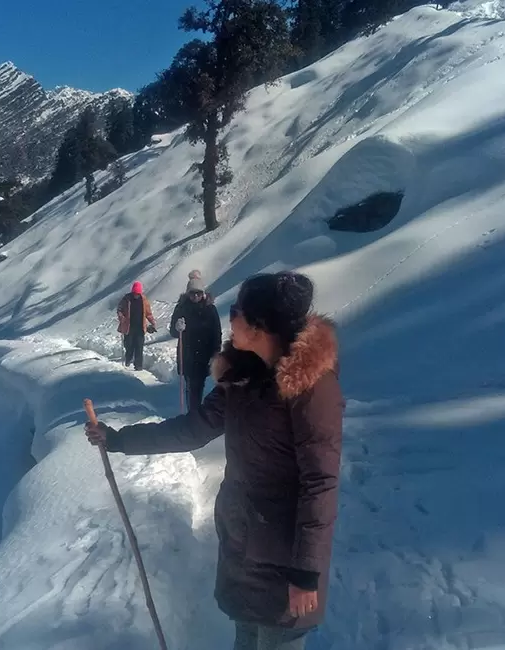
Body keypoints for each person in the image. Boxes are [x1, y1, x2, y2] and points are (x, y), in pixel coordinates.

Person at [87, 271, 343, 650]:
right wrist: (120, 440)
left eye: (237, 311)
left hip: (285, 560)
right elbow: (193, 429)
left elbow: (320, 482)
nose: (230, 317)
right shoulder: (243, 377)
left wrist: (306, 571)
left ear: (259, 326)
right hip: (243, 544)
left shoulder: (311, 389)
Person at [170, 270, 222, 412]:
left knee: (199, 384)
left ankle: (195, 413)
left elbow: (216, 331)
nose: (196, 296)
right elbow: (172, 331)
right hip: (187, 354)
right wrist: (177, 327)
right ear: (188, 293)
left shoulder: (210, 309)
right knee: (191, 385)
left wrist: (216, 352)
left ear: (203, 293)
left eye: (198, 293)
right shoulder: (181, 308)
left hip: (204, 354)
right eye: (192, 293)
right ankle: (193, 414)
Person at [117, 281, 157, 371]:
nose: (136, 295)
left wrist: (153, 322)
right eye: (135, 293)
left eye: (138, 293)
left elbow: (148, 313)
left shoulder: (144, 300)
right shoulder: (126, 299)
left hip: (140, 327)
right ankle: (128, 357)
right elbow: (119, 309)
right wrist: (121, 317)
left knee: (139, 347)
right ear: (132, 292)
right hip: (128, 327)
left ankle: (138, 366)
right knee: (129, 345)